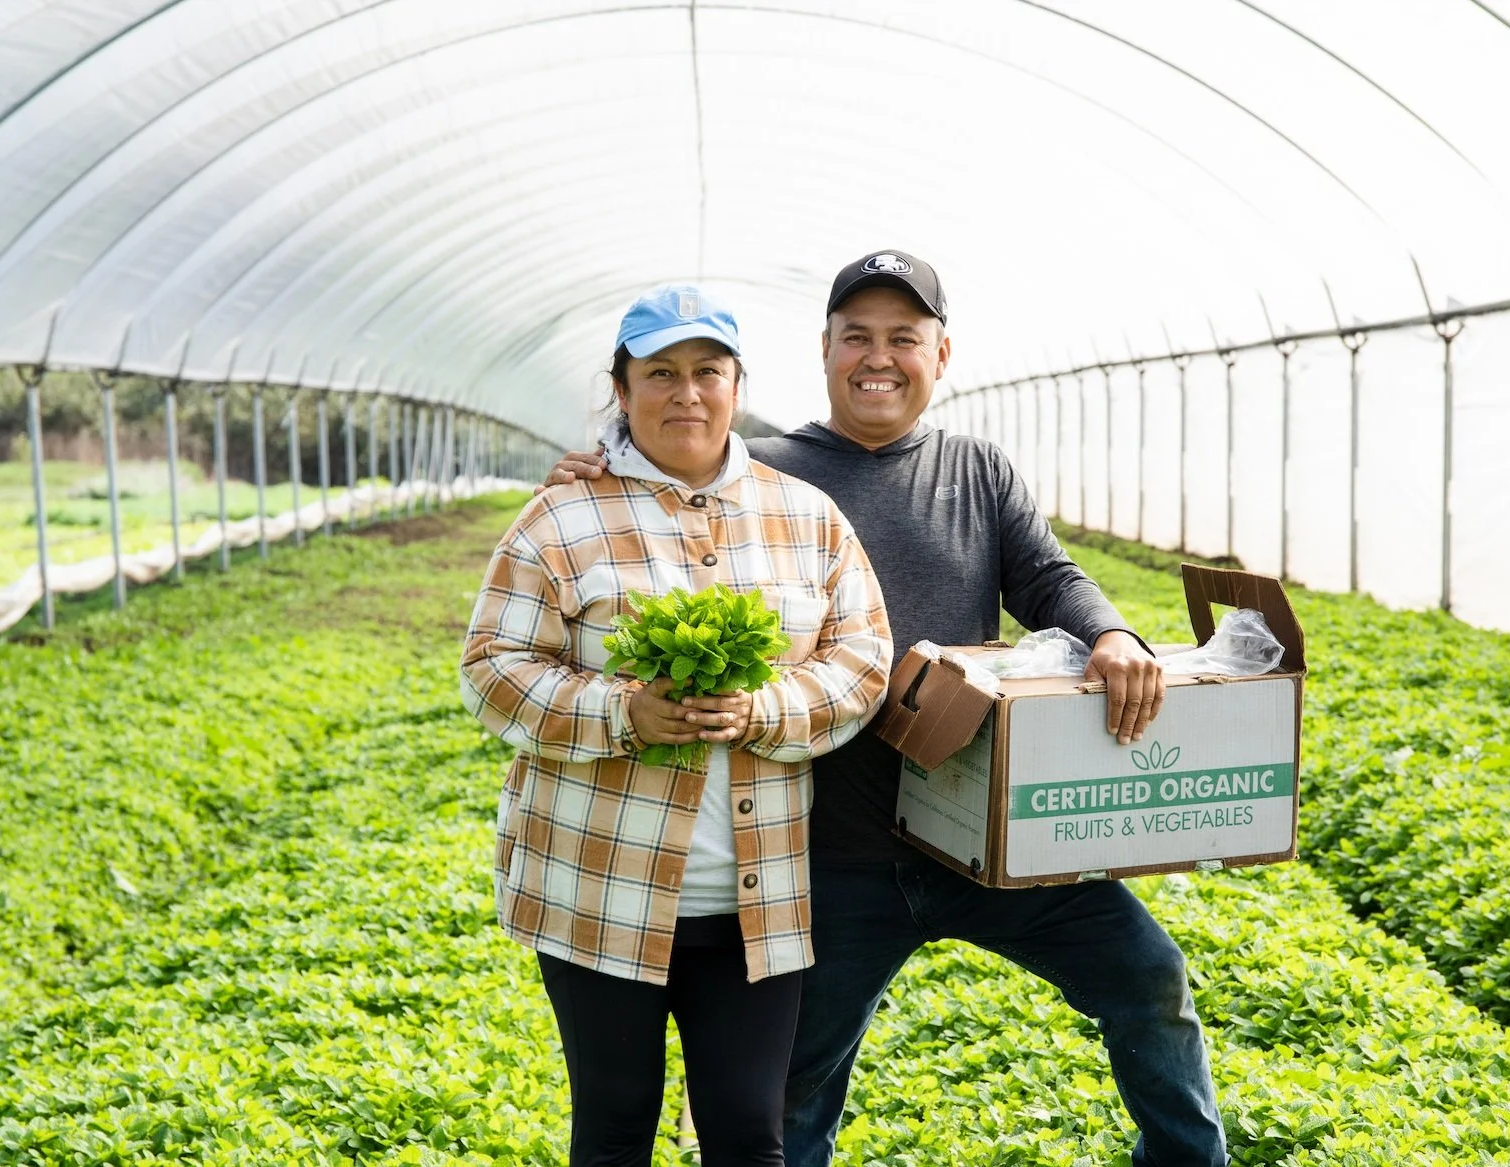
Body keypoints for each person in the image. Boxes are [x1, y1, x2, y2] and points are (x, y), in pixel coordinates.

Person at [543, 251, 1229, 1167]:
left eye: (903, 338)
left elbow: (1048, 577)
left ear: (941, 355)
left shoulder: (976, 469)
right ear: (822, 351)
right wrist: (601, 471)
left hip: (989, 837)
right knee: (788, 1097)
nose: (879, 357)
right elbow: (655, 507)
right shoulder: (765, 475)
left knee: (1150, 979)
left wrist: (1112, 635)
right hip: (837, 853)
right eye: (856, 336)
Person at [462, 284, 892, 1166]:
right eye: (660, 373)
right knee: (616, 1127)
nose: (686, 393)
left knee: (747, 1133)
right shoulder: (560, 518)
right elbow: (491, 670)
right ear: (621, 390)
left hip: (756, 898)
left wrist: (764, 707)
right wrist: (624, 711)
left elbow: (864, 658)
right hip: (597, 886)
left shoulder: (806, 516)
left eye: (708, 371)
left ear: (738, 386)